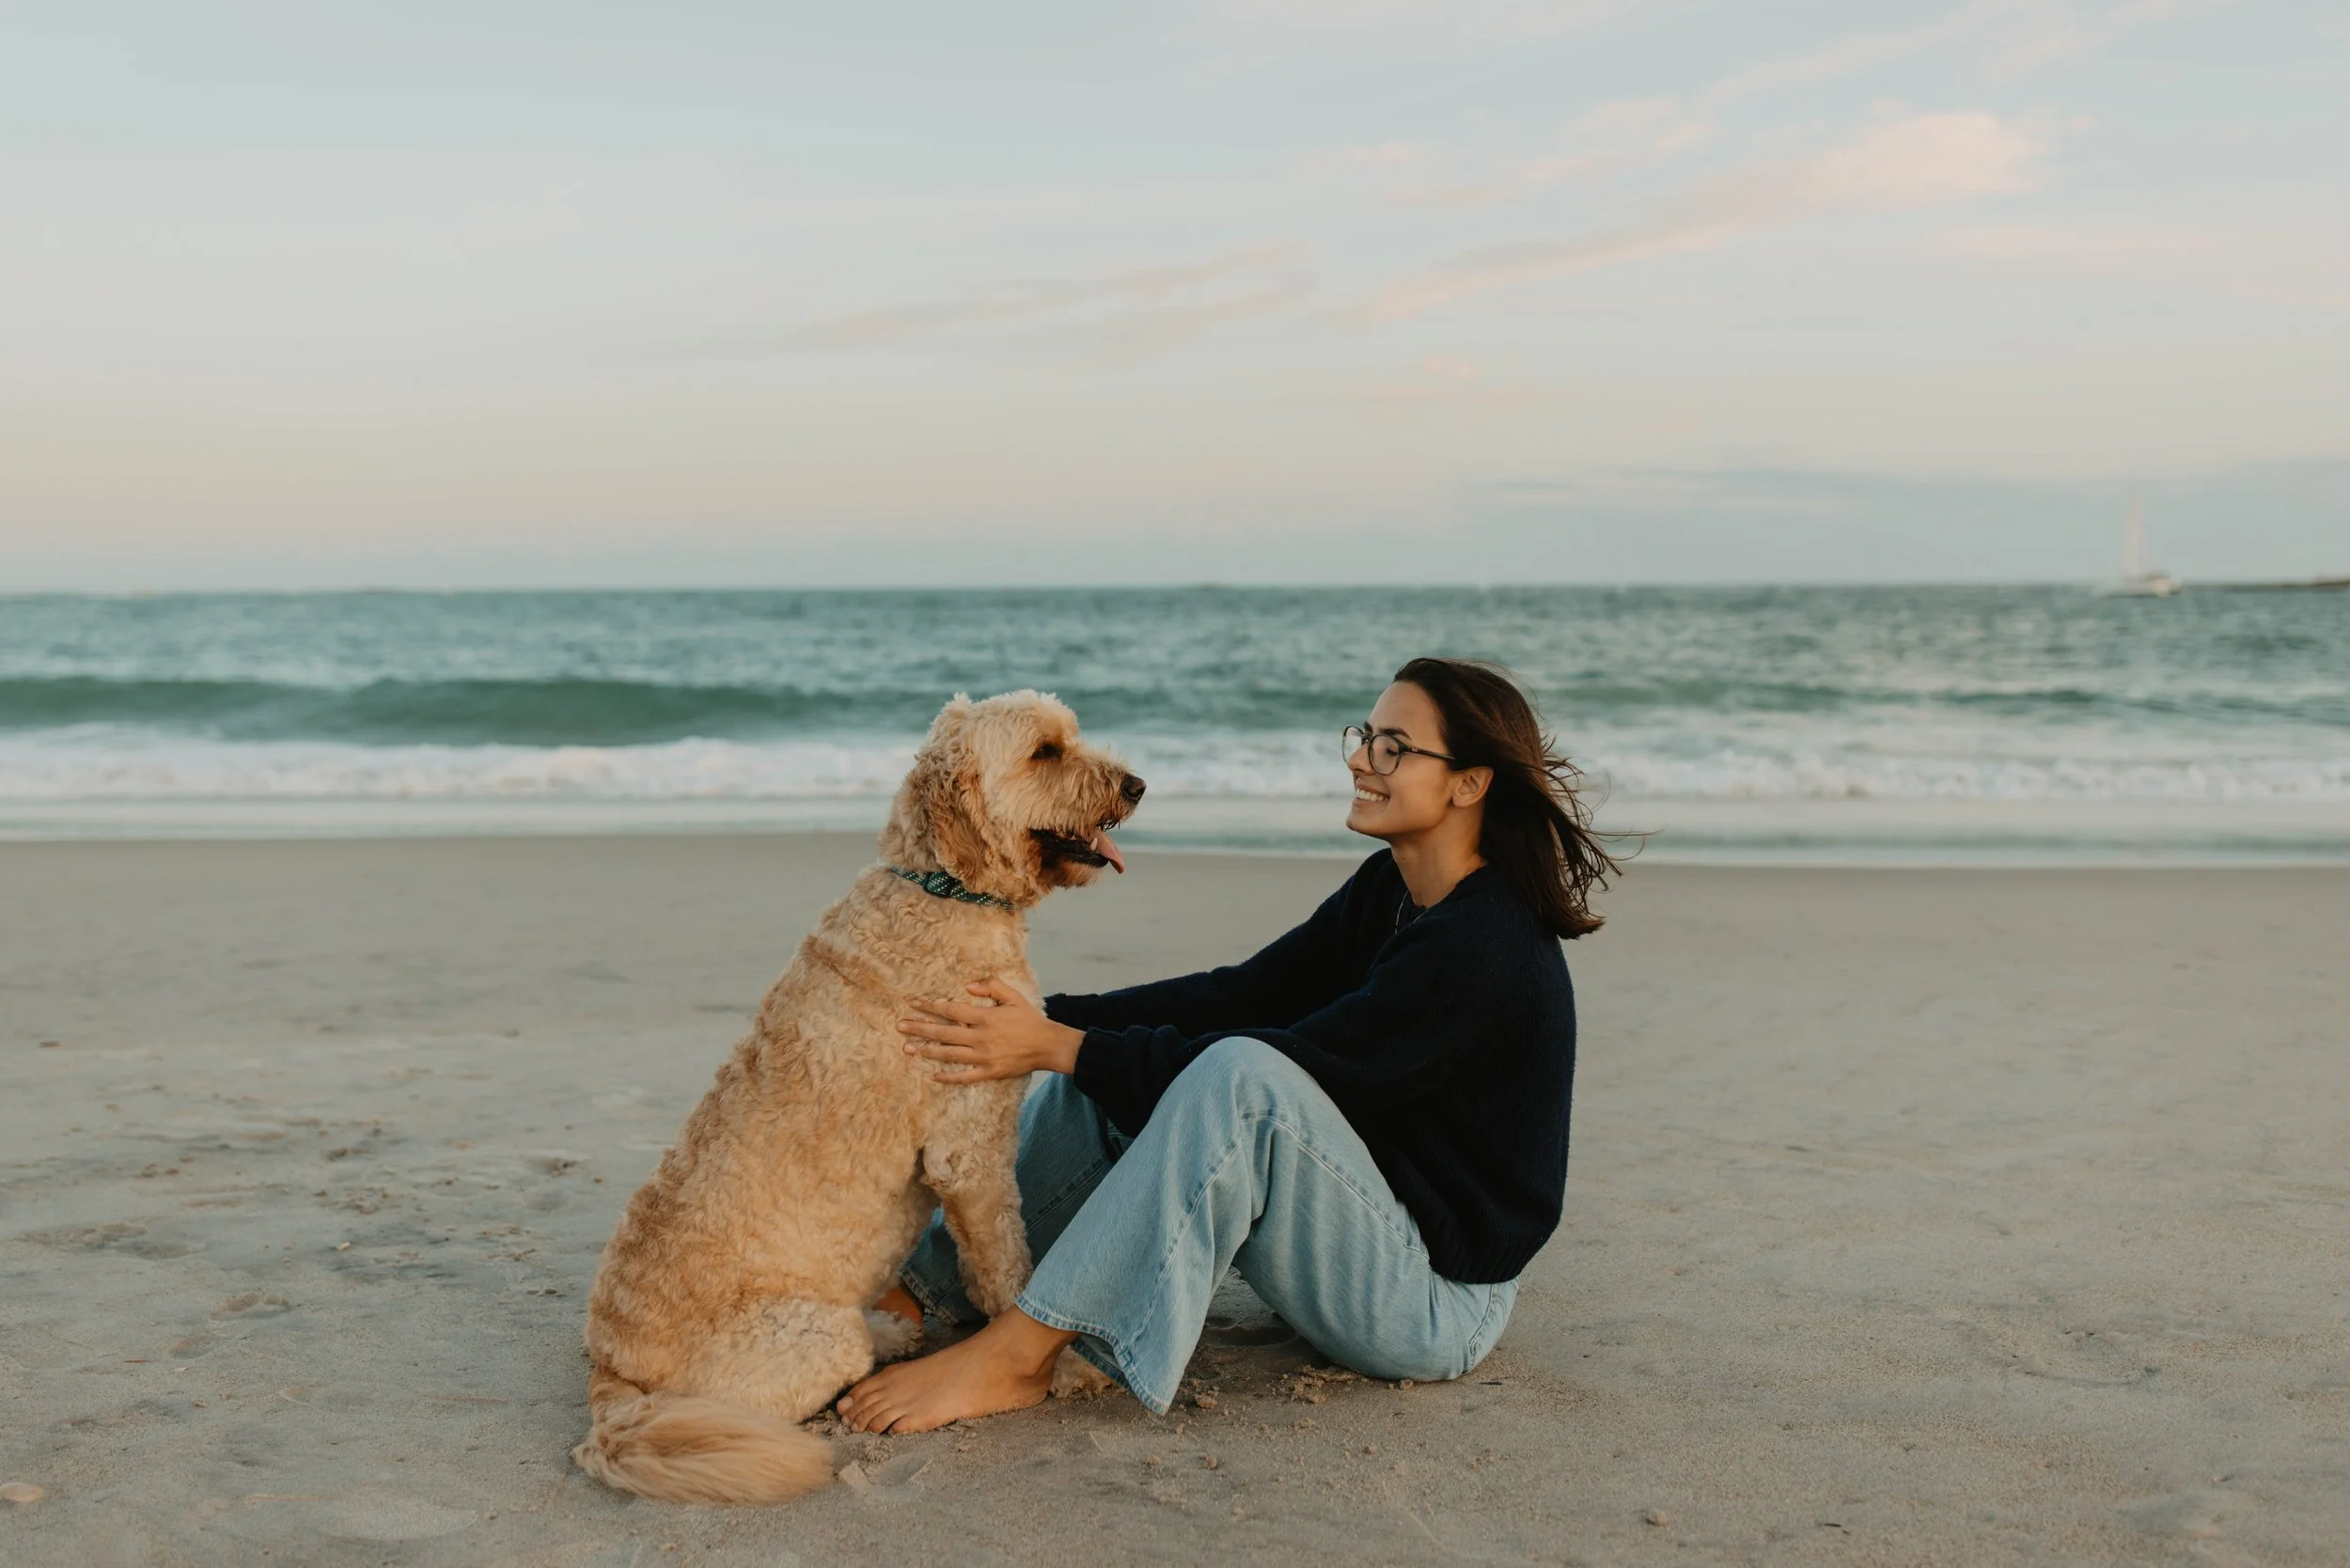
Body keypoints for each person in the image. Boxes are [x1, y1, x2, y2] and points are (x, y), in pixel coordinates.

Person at [838, 657, 1619, 1435]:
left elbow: (1294, 1067)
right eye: (1364, 736)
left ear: (1469, 783)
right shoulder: (1393, 888)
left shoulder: (1482, 948)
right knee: (1115, 1061)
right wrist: (1048, 1021)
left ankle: (1017, 1354)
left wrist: (1059, 1045)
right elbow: (1243, 994)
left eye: (1393, 747)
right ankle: (922, 1292)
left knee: (1232, 1074)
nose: (1359, 759)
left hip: (1431, 1304)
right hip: (1360, 1229)